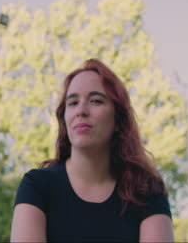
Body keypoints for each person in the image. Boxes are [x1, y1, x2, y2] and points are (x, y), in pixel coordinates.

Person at [10, 59, 174, 242]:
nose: (81, 110)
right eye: (72, 103)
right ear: (64, 119)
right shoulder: (36, 186)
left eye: (95, 101)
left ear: (119, 120)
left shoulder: (148, 192)